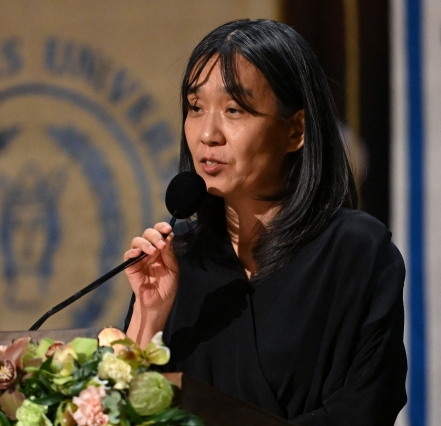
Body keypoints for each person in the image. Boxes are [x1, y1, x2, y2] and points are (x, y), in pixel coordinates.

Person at [123, 19, 407, 425]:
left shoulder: (356, 250)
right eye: (196, 108)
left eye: (234, 110)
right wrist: (148, 318)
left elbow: (366, 406)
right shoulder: (174, 259)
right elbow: (120, 410)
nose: (208, 134)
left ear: (296, 131)